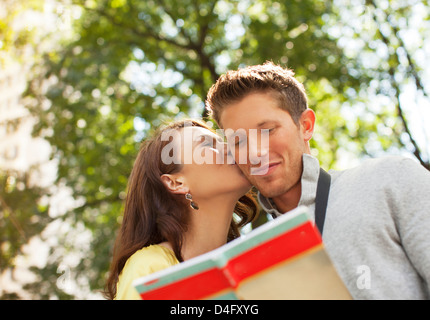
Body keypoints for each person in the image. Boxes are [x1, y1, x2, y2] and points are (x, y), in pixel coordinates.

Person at [205, 61, 430, 299]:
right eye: (238, 141)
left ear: (306, 126)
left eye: (268, 130)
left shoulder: (389, 179)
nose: (255, 153)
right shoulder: (249, 258)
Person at [105, 119, 258, 300]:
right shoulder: (150, 270)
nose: (230, 148)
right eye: (208, 145)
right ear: (176, 182)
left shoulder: (252, 270)